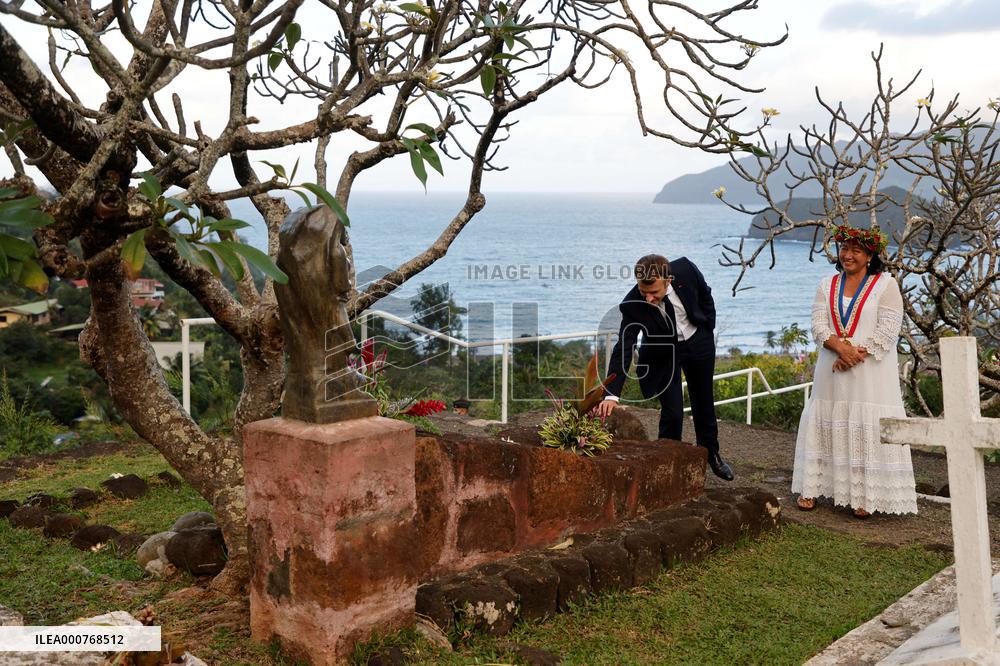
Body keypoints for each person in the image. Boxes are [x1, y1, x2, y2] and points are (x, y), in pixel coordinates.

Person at [792, 224, 917, 518]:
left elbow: (888, 331)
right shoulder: (827, 284)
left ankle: (865, 495)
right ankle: (812, 487)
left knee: (866, 428)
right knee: (825, 420)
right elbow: (818, 324)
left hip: (869, 372)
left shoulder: (886, 285)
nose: (847, 255)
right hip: (831, 369)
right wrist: (840, 348)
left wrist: (852, 354)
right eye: (844, 249)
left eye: (855, 251)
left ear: (870, 254)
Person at [595, 254, 734, 481]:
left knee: (704, 403)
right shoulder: (632, 305)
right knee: (672, 412)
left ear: (668, 280)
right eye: (643, 292)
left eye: (654, 293)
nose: (648, 298)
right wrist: (611, 394)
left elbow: (705, 294)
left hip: (697, 341)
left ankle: (712, 455)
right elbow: (624, 346)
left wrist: (707, 325)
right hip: (663, 354)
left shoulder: (686, 269)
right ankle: (667, 462)